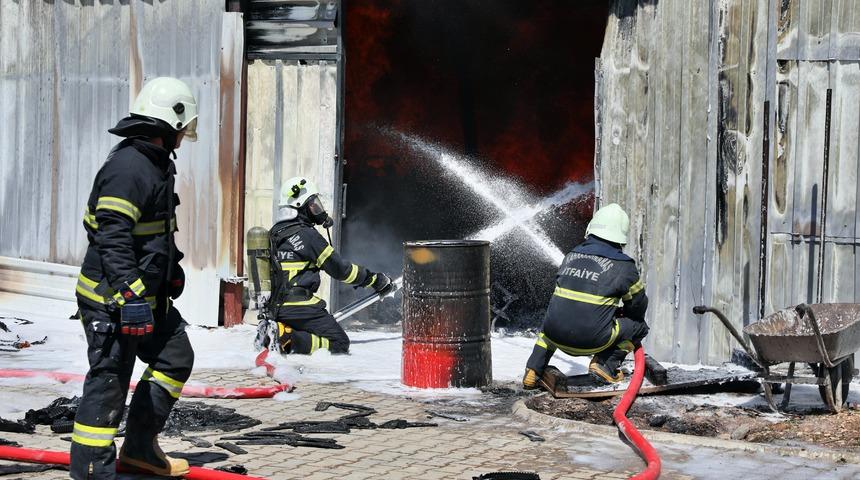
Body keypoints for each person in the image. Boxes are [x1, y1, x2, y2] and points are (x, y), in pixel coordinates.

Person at [71, 77, 198, 479]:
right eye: (180, 128)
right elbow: (112, 236)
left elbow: (152, 234)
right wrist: (131, 294)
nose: (182, 136)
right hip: (113, 300)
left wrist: (169, 272)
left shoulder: (154, 165)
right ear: (167, 124)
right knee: (109, 381)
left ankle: (141, 448)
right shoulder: (129, 168)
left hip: (145, 298)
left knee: (175, 357)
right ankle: (93, 472)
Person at [523, 203, 649, 388]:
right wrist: (621, 314)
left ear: (591, 228)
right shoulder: (625, 266)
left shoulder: (571, 255)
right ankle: (605, 365)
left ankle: (534, 369)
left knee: (553, 322)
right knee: (639, 327)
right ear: (621, 236)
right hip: (591, 342)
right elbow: (638, 306)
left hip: (555, 335)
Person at [265, 176, 392, 354]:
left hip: (276, 308)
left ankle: (280, 331)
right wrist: (373, 279)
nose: (317, 209)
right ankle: (287, 338)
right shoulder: (307, 235)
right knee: (339, 343)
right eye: (313, 204)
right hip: (300, 306)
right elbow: (341, 270)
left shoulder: (274, 233)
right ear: (301, 207)